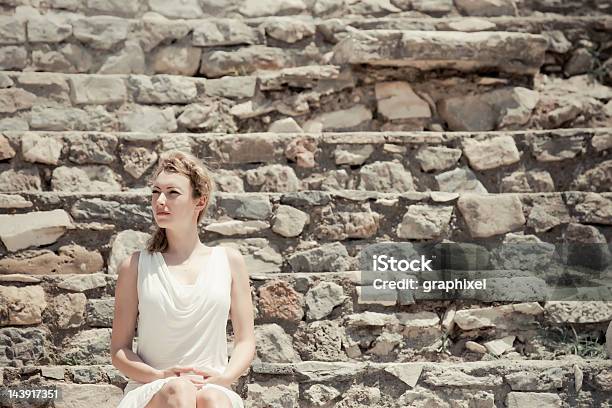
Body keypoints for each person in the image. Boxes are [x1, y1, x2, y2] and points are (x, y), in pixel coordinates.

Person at [111, 150, 256, 408]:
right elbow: (120, 351)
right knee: (179, 390)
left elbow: (245, 340)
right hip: (152, 389)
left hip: (213, 387)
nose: (160, 201)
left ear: (199, 202)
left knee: (212, 399)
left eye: (172, 193)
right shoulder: (134, 266)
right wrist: (160, 376)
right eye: (155, 192)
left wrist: (225, 377)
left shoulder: (230, 262)